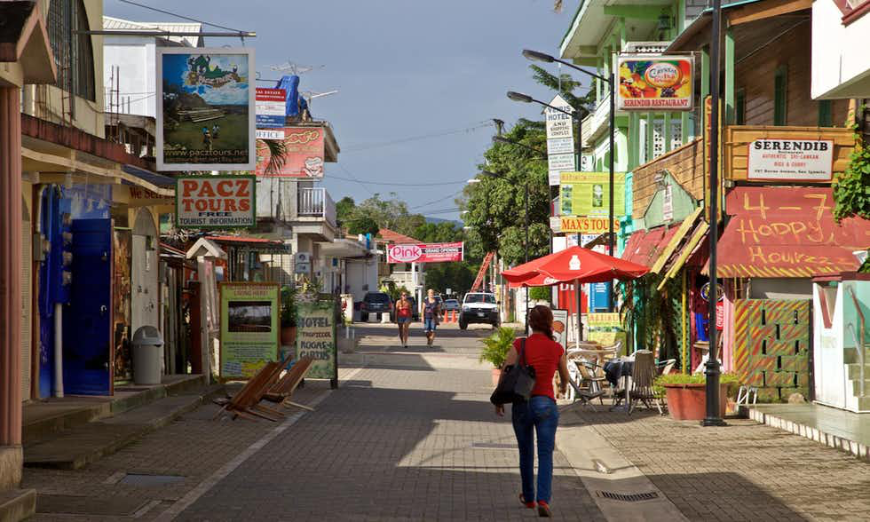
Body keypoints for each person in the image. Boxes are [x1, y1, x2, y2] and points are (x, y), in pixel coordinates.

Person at [495, 305, 570, 518]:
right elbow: (564, 375)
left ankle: (528, 498)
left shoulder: (520, 344)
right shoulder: (556, 348)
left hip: (522, 404)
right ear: (549, 323)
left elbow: (506, 371)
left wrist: (499, 400)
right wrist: (563, 387)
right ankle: (543, 500)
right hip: (546, 404)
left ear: (530, 322)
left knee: (526, 452)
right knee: (546, 454)